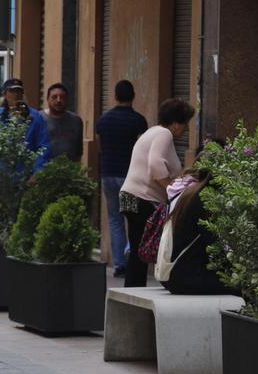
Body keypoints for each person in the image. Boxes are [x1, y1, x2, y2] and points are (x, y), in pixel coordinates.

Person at [119, 98, 195, 288]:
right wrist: (172, 189)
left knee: (138, 247)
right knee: (155, 245)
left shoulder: (151, 132)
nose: (186, 128)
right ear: (176, 122)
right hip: (142, 197)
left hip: (129, 196)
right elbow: (155, 166)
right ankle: (145, 288)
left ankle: (133, 290)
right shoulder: (164, 134)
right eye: (185, 123)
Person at [96, 80, 148, 277]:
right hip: (129, 178)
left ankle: (119, 264)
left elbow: (102, 147)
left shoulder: (103, 120)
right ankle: (130, 255)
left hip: (109, 176)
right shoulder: (138, 121)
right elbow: (143, 150)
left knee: (114, 219)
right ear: (133, 96)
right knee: (132, 217)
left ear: (115, 96)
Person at [160, 167, 232, 295]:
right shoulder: (205, 199)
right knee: (242, 287)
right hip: (187, 278)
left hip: (175, 274)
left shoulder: (191, 192)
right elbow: (213, 244)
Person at [0, 78, 51, 171]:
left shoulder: (35, 117)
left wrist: (37, 172)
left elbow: (43, 146)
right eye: (12, 91)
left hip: (25, 174)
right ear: (5, 94)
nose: (16, 94)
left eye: (19, 91)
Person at [42, 82, 82, 163]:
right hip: (43, 171)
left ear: (67, 99)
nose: (59, 100)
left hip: (69, 170)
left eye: (62, 97)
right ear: (47, 99)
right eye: (54, 97)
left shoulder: (76, 120)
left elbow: (79, 149)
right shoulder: (39, 119)